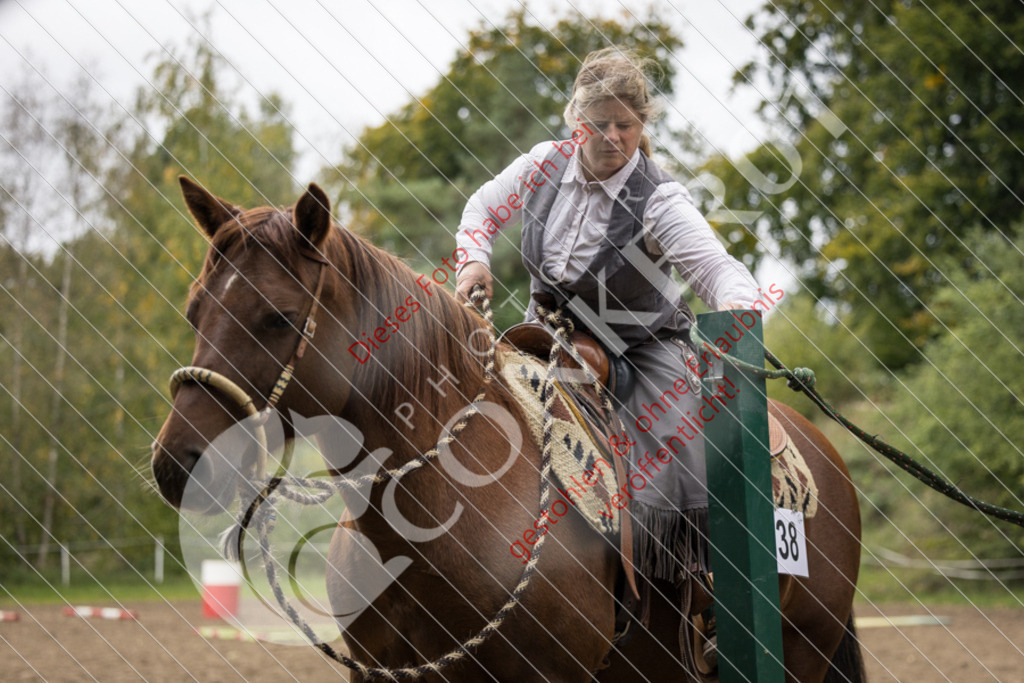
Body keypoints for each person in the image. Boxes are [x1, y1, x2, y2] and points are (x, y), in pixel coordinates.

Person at [454, 46, 763, 661]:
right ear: (577, 121)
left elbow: (713, 270)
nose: (613, 135)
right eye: (600, 122)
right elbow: (483, 208)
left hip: (644, 348)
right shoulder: (542, 165)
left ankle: (707, 598)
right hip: (544, 338)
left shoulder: (660, 199)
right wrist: (474, 261)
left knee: (685, 454)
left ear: (642, 125)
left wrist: (741, 326)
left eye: (626, 123)